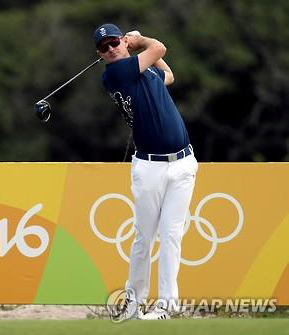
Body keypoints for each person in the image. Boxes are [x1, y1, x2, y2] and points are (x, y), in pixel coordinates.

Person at [93, 23, 198, 320]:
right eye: (104, 48)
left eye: (114, 43)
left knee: (171, 235)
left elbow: (169, 75)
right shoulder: (116, 74)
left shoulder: (143, 71)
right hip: (149, 167)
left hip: (183, 163)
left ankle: (166, 305)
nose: (110, 49)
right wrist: (140, 41)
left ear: (121, 43)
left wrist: (138, 47)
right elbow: (159, 48)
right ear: (100, 55)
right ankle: (133, 302)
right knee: (144, 237)